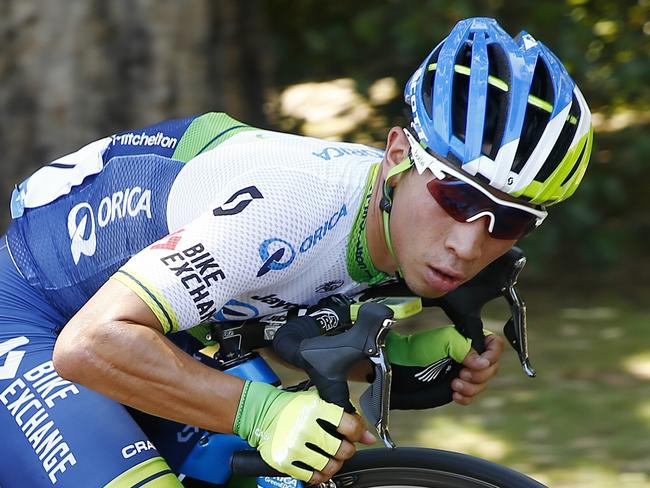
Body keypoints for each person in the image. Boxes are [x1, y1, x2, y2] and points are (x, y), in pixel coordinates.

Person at [0, 17, 592, 487]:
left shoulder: (402, 238)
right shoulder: (286, 208)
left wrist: (400, 354)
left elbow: (288, 323)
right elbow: (89, 346)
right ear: (396, 157)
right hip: (40, 316)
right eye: (453, 196)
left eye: (510, 221)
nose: (469, 243)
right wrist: (260, 413)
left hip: (169, 326)